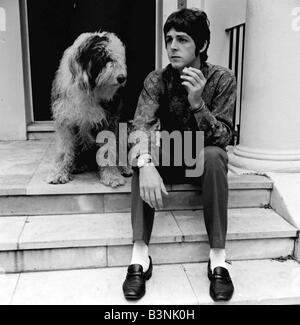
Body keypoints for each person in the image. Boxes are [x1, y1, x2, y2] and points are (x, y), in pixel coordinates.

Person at [122, 8, 237, 302]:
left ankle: (218, 258)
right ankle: (140, 257)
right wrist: (146, 164)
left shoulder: (222, 80)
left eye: (182, 39)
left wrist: (198, 104)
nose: (172, 46)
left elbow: (224, 137)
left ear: (201, 45)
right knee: (143, 153)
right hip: (172, 156)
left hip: (201, 162)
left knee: (214, 155)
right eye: (169, 38)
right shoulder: (156, 80)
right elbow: (140, 127)